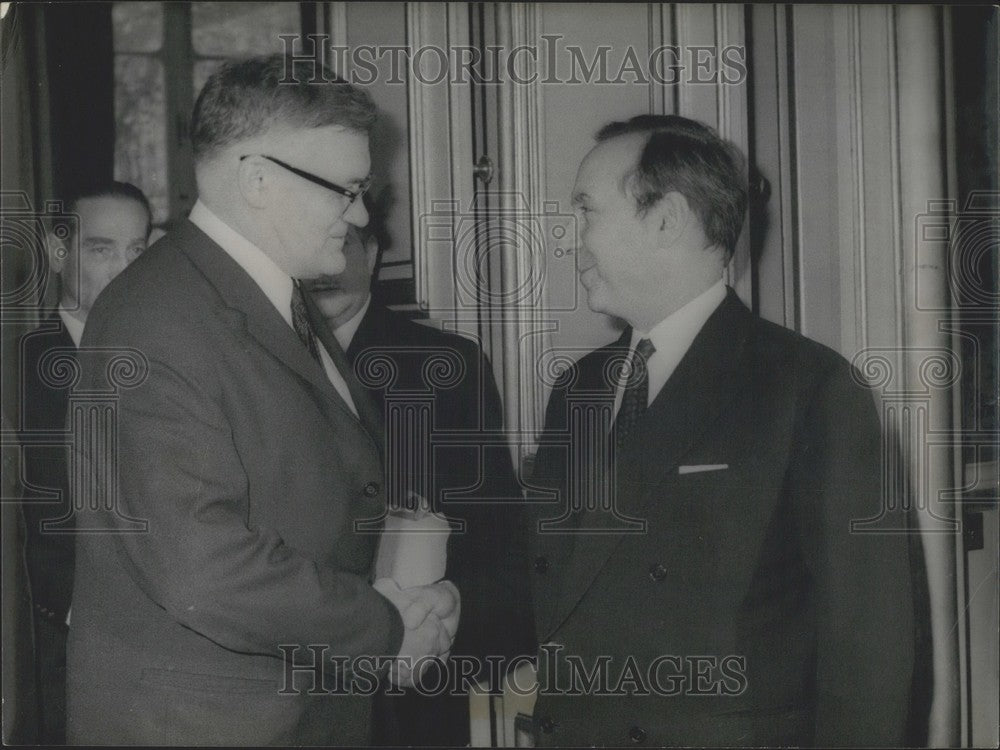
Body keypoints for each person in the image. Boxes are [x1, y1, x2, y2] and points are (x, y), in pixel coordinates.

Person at [65, 55, 458, 745]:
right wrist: (385, 627)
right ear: (258, 181)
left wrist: (402, 589)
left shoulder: (274, 302)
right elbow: (203, 567)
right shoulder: (156, 318)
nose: (362, 214)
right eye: (347, 189)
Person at [527, 114, 915, 746]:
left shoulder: (809, 388)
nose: (569, 241)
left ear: (666, 219)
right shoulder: (578, 389)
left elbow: (869, 649)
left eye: (586, 212)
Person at [307, 223, 534, 746]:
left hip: (415, 687)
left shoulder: (447, 365)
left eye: (342, 243)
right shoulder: (258, 362)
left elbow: (494, 538)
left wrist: (438, 631)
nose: (326, 269)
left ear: (374, 252)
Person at [17, 181, 151, 744]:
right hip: (60, 654)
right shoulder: (18, 372)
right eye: (102, 249)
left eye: (137, 251)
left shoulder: (166, 366)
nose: (124, 269)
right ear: (57, 252)